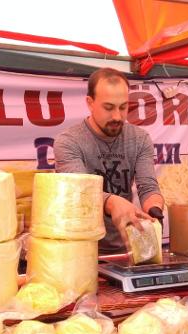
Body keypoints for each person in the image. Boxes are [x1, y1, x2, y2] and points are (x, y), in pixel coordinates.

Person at [54, 68, 164, 253]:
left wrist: (154, 210)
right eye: (108, 107)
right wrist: (112, 202)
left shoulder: (140, 139)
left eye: (123, 107)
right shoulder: (68, 142)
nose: (117, 116)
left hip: (126, 249)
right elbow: (81, 193)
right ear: (90, 103)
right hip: (81, 250)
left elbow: (148, 187)